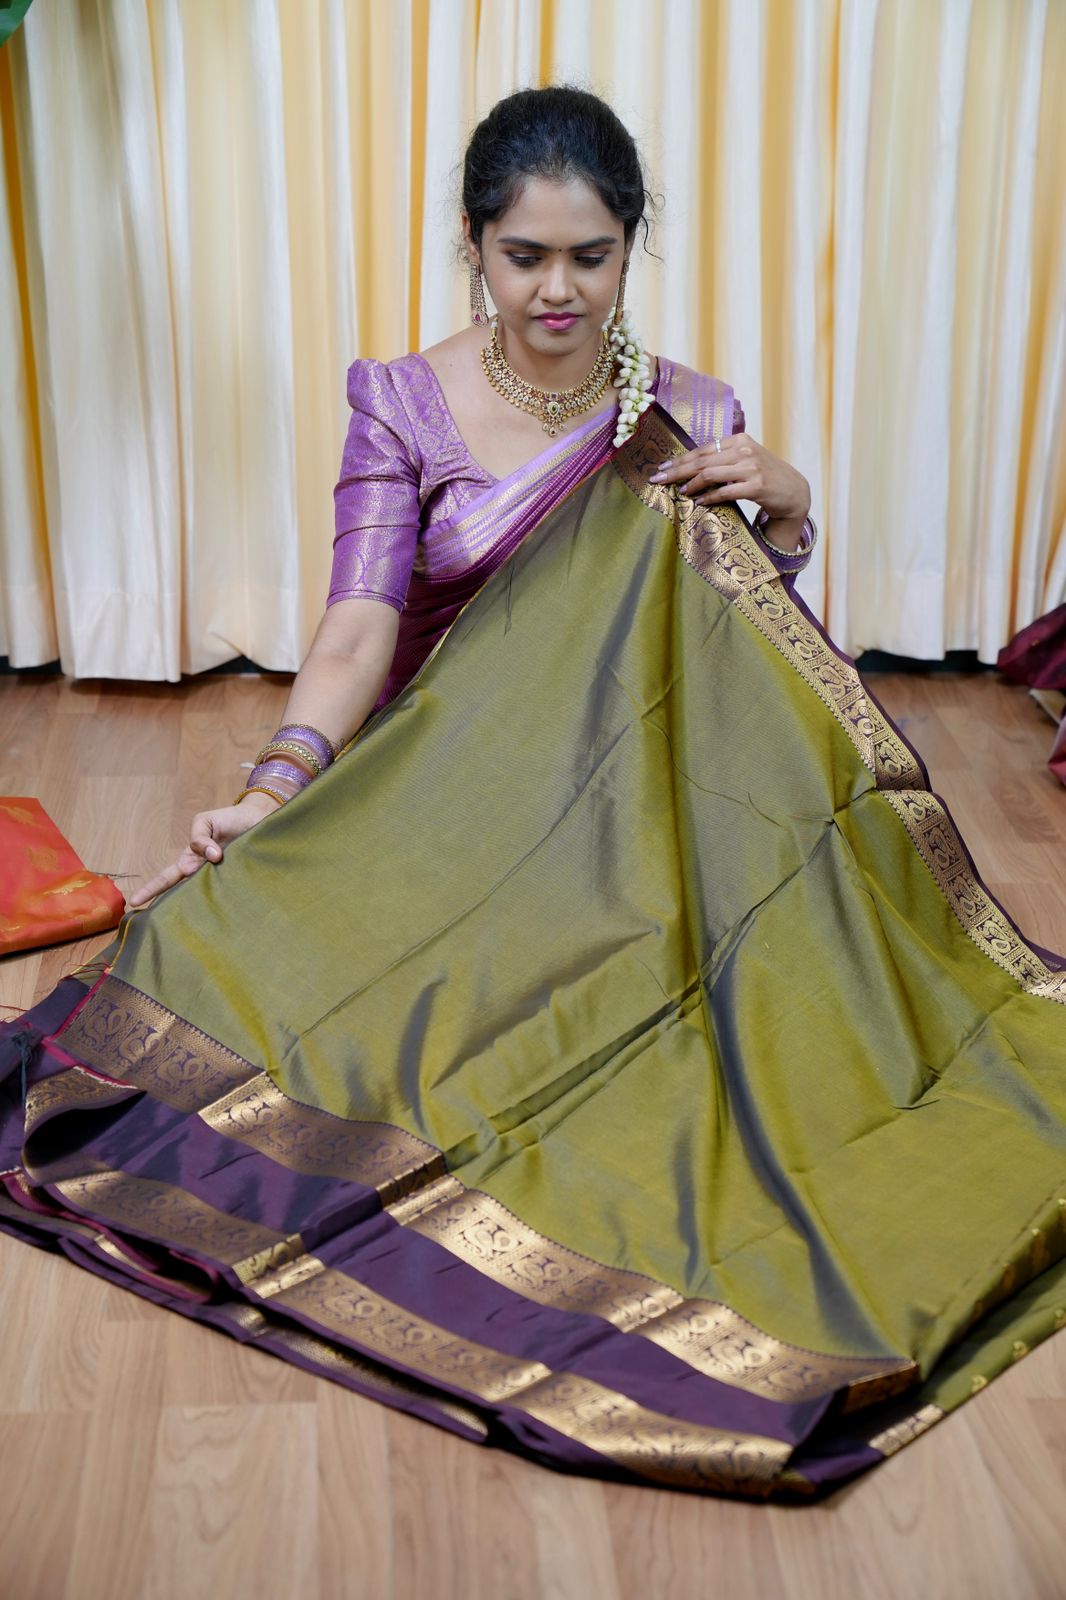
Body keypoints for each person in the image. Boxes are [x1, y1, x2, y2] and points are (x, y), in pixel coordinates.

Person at [2, 87, 1065, 1503]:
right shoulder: (405, 399)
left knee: (737, 1026)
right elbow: (356, 629)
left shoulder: (684, 412)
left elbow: (723, 657)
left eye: (589, 256)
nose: (555, 290)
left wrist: (789, 511)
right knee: (207, 969)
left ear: (631, 247)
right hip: (429, 810)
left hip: (627, 819)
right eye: (523, 257)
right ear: (474, 247)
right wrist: (277, 792)